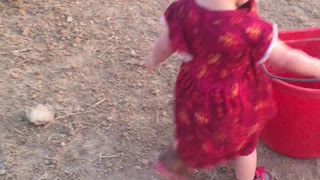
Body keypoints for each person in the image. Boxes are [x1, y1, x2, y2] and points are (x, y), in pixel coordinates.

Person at [144, 0, 320, 179]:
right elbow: (287, 59)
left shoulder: (182, 9)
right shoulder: (251, 29)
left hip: (194, 94)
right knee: (244, 146)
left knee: (191, 132)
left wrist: (153, 59)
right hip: (234, 102)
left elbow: (166, 44)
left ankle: (177, 164)